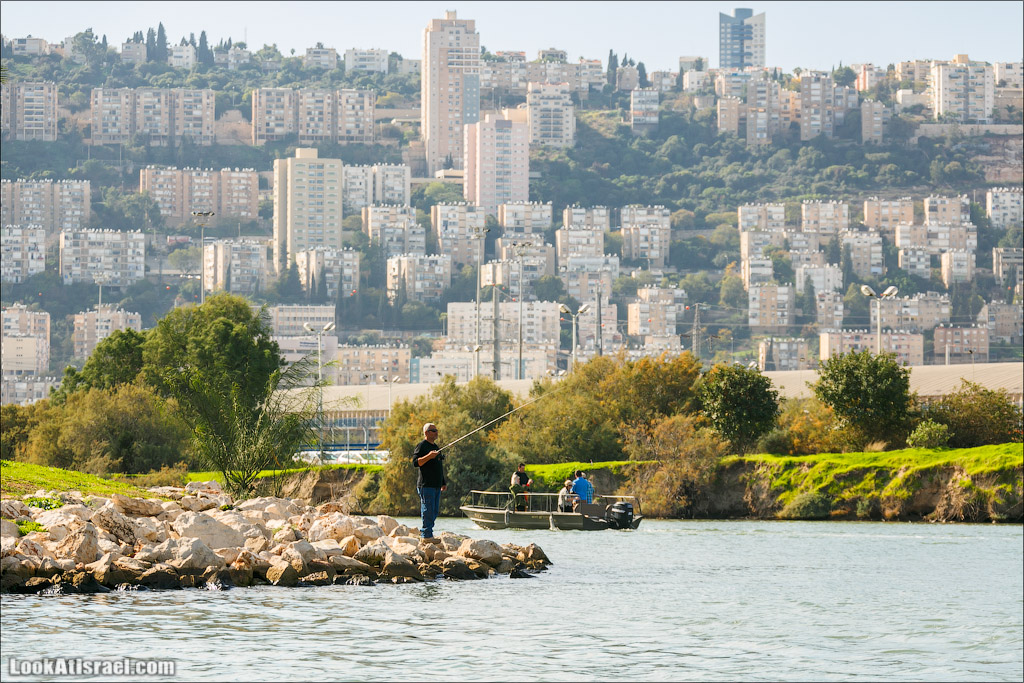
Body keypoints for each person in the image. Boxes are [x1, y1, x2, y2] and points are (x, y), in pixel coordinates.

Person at [411, 423, 446, 541]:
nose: (436, 432)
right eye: (433, 430)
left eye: (436, 430)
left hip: (436, 484)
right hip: (426, 485)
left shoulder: (436, 447)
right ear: (426, 433)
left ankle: (428, 532)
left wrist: (443, 482)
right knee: (428, 510)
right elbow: (416, 462)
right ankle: (426, 535)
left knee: (434, 511)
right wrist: (429, 456)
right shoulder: (421, 446)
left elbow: (439, 466)